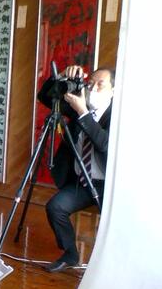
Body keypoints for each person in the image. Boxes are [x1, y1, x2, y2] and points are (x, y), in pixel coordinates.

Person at [37, 65, 114, 273]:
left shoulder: (119, 115)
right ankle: (70, 254)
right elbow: (45, 97)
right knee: (55, 207)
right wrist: (62, 76)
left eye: (100, 85)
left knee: (114, 223)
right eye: (91, 83)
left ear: (113, 90)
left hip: (108, 186)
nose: (93, 89)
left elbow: (104, 144)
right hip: (82, 181)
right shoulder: (81, 102)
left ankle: (110, 264)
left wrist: (83, 112)